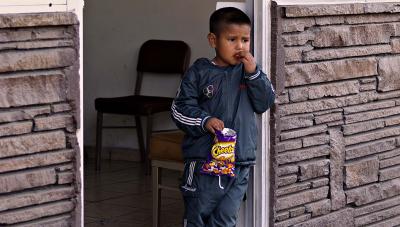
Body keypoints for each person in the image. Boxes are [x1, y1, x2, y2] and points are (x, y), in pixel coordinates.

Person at [171, 7, 275, 227]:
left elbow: (265, 102)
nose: (240, 46)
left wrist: (254, 73)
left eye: (245, 40)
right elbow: (179, 108)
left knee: (225, 219)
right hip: (204, 162)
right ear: (213, 40)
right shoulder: (199, 72)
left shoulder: (249, 73)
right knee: (198, 215)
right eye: (232, 39)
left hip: (239, 162)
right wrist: (204, 120)